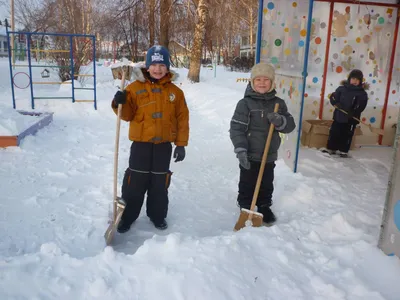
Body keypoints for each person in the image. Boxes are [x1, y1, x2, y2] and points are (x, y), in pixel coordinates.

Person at [111, 45, 189, 232]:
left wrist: (181, 144)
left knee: (159, 184)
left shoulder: (175, 93)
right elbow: (127, 114)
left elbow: (182, 119)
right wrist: (118, 102)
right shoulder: (134, 88)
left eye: (162, 65)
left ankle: (157, 215)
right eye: (153, 64)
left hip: (163, 146)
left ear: (168, 67)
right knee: (135, 183)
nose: (158, 69)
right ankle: (127, 217)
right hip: (141, 146)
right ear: (147, 66)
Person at [229, 63, 296, 224]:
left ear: (272, 82)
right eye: (258, 79)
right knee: (247, 182)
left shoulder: (278, 103)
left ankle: (264, 205)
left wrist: (281, 121)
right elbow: (236, 128)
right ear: (252, 82)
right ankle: (246, 206)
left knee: (266, 183)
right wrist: (240, 149)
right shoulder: (245, 104)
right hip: (249, 154)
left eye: (266, 79)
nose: (262, 82)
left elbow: (290, 126)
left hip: (269, 154)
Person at [323, 69, 368, 158]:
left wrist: (354, 111)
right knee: (334, 132)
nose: (355, 81)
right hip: (339, 116)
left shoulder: (362, 93)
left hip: (351, 118)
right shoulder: (341, 89)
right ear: (349, 79)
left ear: (360, 81)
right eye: (353, 78)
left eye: (357, 79)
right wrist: (336, 103)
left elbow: (362, 106)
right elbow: (333, 97)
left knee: (346, 134)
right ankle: (331, 148)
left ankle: (343, 150)